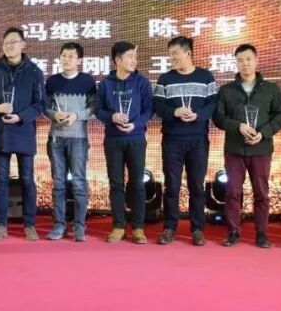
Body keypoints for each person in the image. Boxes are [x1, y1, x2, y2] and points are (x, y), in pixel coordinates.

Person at [212, 43, 281, 248]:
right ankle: (233, 231)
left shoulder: (270, 89)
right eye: (240, 60)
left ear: (256, 61)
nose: (244, 63)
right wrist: (238, 126)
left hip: (261, 149)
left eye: (248, 59)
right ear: (235, 63)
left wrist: (263, 133)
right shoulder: (226, 90)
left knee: (261, 192)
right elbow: (218, 118)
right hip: (235, 149)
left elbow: (280, 114)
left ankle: (261, 233)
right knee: (232, 192)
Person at [0, 27, 46, 241]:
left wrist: (21, 116)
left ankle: (30, 224)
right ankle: (0, 224)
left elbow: (40, 104)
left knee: (27, 179)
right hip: (1, 132)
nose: (9, 46)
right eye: (6, 42)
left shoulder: (34, 72)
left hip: (24, 131)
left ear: (23, 45)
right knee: (1, 179)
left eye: (13, 42)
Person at [153, 35, 218, 246]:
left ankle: (197, 229)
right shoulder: (165, 79)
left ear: (188, 53)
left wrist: (198, 115)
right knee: (171, 185)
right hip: (172, 139)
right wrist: (174, 112)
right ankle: (169, 228)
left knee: (197, 185)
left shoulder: (205, 76)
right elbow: (158, 106)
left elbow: (213, 104)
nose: (172, 58)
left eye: (175, 54)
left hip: (198, 139)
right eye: (170, 54)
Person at [95, 41, 154, 244]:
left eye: (134, 57)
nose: (134, 61)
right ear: (117, 60)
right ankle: (118, 226)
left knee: (137, 183)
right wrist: (111, 117)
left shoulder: (142, 82)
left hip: (136, 138)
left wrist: (136, 124)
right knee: (116, 183)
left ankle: (138, 228)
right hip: (113, 140)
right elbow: (98, 110)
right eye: (129, 57)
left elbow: (149, 110)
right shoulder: (105, 84)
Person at [45, 42, 97, 242]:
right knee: (58, 183)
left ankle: (79, 226)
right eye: (63, 56)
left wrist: (77, 115)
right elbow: (45, 106)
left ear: (79, 60)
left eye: (71, 56)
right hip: (56, 139)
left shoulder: (87, 81)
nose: (66, 59)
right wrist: (54, 114)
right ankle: (59, 224)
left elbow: (94, 107)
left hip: (78, 139)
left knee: (78, 183)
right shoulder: (52, 81)